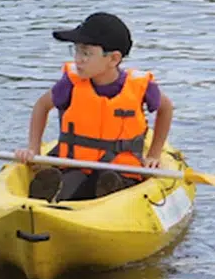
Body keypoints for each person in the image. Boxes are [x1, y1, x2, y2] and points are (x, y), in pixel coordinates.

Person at [13, 12, 174, 202]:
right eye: (77, 51)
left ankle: (109, 192)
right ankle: (49, 193)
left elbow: (166, 108)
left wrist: (154, 154)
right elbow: (41, 106)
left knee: (113, 180)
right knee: (70, 183)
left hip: (122, 169)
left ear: (113, 59)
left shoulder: (141, 87)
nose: (78, 59)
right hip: (75, 164)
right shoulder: (70, 84)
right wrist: (33, 148)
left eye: (87, 53)